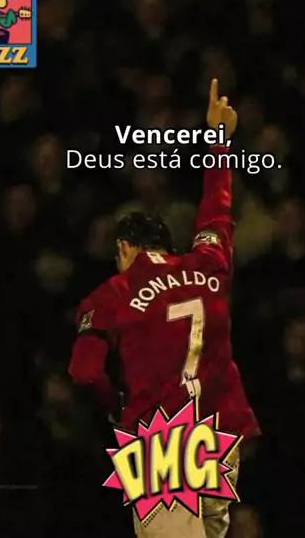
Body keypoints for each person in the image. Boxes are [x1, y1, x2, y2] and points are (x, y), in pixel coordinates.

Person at [69, 79, 261, 538]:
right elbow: (217, 210)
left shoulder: (112, 293)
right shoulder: (207, 263)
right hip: (220, 431)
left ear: (124, 248)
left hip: (162, 443)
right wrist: (218, 140)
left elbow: (84, 371)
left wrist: (116, 406)